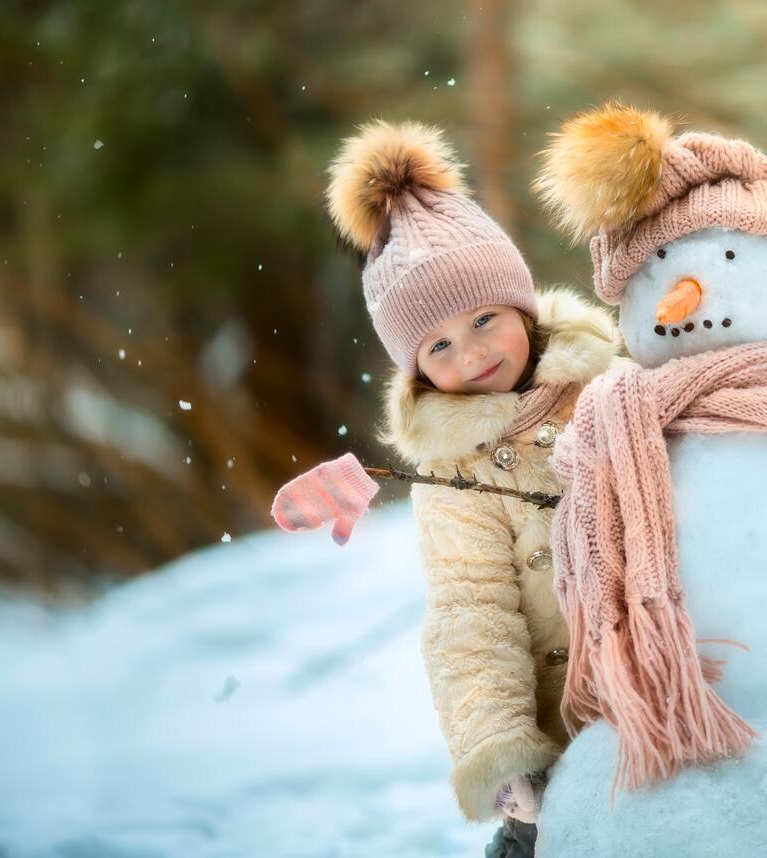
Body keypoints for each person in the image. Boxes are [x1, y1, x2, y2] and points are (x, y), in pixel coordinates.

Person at [317, 118, 623, 855]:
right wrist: (502, 750)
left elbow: (712, 505)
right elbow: (470, 614)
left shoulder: (614, 388)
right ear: (416, 368)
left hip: (685, 686)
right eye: (440, 345)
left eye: (485, 318)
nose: (474, 351)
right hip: (568, 745)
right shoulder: (454, 474)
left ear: (520, 304)